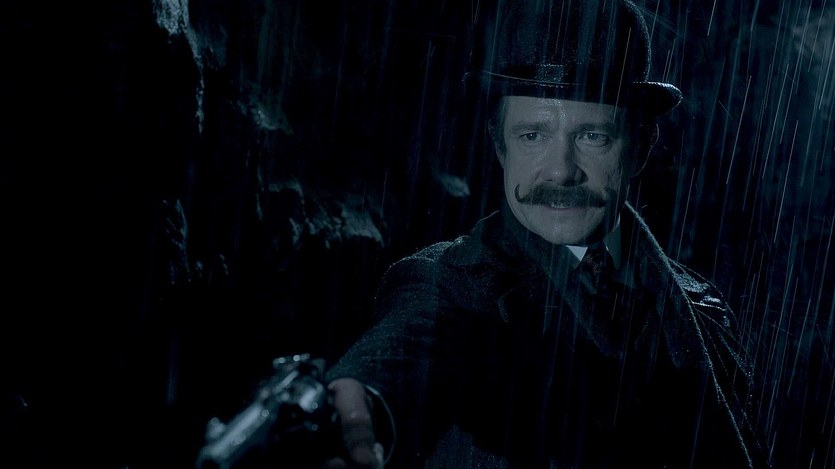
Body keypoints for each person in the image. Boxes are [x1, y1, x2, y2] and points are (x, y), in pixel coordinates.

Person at [323, 0, 770, 467]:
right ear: (500, 146)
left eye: (593, 136)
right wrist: (359, 401)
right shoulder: (450, 285)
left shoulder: (701, 305)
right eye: (532, 136)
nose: (560, 171)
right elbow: (409, 341)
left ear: (640, 148)